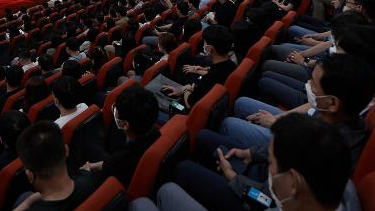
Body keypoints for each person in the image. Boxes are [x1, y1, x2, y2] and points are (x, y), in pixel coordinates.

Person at [130, 113, 354, 211]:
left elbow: (263, 198)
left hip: (255, 200)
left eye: (272, 163)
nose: (269, 166)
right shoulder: (336, 181)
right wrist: (250, 154)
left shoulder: (279, 195)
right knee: (205, 141)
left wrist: (232, 177)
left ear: (293, 181)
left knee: (150, 199)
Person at [80, 86, 160, 187]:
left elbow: (111, 165)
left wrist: (88, 169)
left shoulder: (123, 158)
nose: (114, 111)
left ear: (125, 125)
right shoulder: (155, 132)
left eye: (115, 110)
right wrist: (93, 165)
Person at [13, 121, 97, 210]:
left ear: (29, 175)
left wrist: (26, 203)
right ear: (66, 150)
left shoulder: (31, 207)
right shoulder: (90, 181)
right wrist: (86, 173)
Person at [160, 25, 236, 110]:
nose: (203, 45)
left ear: (210, 48)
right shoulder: (232, 65)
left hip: (186, 110)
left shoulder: (209, 79)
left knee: (162, 99)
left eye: (204, 42)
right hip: (205, 101)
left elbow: (189, 104)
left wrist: (186, 90)